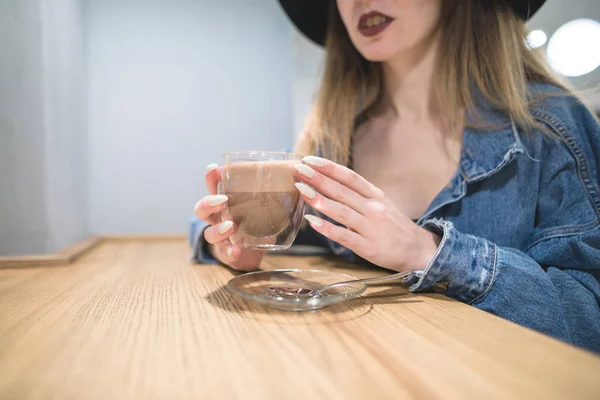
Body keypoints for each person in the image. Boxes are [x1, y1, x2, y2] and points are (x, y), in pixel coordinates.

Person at [190, 0, 600, 353]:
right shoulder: (334, 136)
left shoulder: (550, 126)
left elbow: (589, 318)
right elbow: (220, 225)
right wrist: (239, 249)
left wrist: (428, 252)